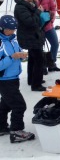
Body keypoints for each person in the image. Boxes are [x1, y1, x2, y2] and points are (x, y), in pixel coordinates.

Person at [0, 15, 35, 143]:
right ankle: (16, 131)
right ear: (2, 28)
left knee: (5, 104)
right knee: (19, 105)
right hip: (4, 80)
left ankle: (1, 126)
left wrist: (21, 55)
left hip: (14, 78)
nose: (12, 31)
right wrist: (12, 57)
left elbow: (16, 53)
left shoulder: (13, 39)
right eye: (10, 29)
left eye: (14, 29)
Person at [13, 0, 45, 91]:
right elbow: (30, 22)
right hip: (29, 36)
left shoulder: (30, 4)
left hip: (33, 35)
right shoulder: (20, 7)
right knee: (39, 59)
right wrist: (38, 12)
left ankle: (32, 79)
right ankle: (36, 84)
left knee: (33, 58)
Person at [28, 0, 60, 72]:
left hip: (48, 24)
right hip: (38, 26)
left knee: (54, 43)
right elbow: (31, 10)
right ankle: (42, 66)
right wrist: (35, 0)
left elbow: (53, 7)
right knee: (40, 47)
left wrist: (52, 19)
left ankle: (51, 62)